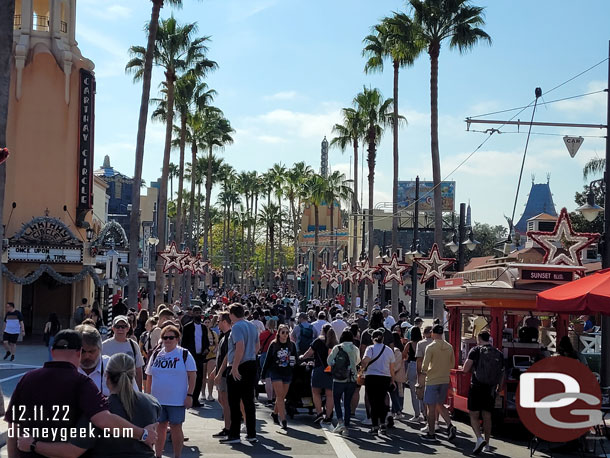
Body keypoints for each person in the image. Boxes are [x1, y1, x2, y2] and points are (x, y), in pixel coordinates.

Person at [7, 330, 156, 457]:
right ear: (78, 353)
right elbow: (104, 420)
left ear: (52, 351)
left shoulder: (27, 379)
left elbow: (13, 430)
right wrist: (142, 434)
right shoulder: (82, 384)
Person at [145, 324, 196, 458]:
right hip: (157, 400)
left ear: (177, 338)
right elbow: (149, 375)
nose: (167, 340)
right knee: (160, 428)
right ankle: (158, 455)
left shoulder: (184, 354)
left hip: (177, 400)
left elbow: (192, 375)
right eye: (165, 338)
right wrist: (147, 395)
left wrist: (190, 395)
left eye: (171, 337)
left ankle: (177, 455)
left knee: (176, 427)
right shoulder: (157, 354)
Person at [221, 303, 260, 444]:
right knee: (249, 401)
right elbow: (257, 346)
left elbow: (240, 346)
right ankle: (251, 433)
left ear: (232, 314)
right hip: (251, 363)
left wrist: (235, 366)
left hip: (239, 364)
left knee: (234, 401)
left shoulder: (237, 326)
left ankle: (234, 434)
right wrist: (250, 357)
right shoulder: (252, 326)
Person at [463, 331, 504, 454]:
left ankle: (479, 439)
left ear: (478, 338)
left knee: (473, 414)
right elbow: (502, 372)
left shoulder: (475, 350)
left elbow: (465, 369)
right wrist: (499, 387)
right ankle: (487, 443)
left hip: (476, 386)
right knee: (487, 416)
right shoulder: (498, 353)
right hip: (490, 388)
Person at [420, 325, 457, 442]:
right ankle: (450, 425)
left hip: (432, 379)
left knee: (431, 407)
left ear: (432, 333)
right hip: (445, 379)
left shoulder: (430, 347)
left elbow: (424, 366)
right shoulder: (449, 347)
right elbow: (452, 364)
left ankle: (431, 433)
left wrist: (423, 375)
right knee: (440, 404)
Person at [261, 324, 297, 429]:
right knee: (280, 396)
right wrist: (263, 374)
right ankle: (284, 419)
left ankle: (275, 413)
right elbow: (267, 360)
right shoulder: (274, 344)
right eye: (283, 332)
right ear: (279, 333)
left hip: (287, 372)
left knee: (281, 397)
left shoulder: (292, 345)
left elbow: (294, 358)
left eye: (287, 332)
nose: (285, 335)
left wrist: (294, 366)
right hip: (275, 372)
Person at [300, 324, 336, 424]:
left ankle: (319, 413)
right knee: (330, 395)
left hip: (319, 369)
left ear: (322, 331)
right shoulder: (334, 342)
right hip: (330, 370)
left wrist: (302, 357)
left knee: (316, 392)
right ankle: (328, 416)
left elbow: (309, 353)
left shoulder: (318, 341)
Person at [361, 328, 395, 435]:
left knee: (373, 402)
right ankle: (383, 424)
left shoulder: (370, 348)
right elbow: (392, 367)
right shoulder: (389, 350)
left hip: (371, 377)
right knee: (381, 401)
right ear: (383, 339)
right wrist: (392, 380)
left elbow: (365, 360)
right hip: (385, 377)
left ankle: (374, 426)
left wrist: (362, 366)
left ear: (372, 339)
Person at [327, 329, 360, 436]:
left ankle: (340, 422)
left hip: (338, 378)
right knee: (347, 403)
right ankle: (346, 426)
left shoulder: (338, 347)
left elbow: (329, 361)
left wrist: (336, 364)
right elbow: (358, 361)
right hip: (352, 378)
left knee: (337, 400)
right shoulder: (355, 348)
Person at [102, 315, 145, 389]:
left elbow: (138, 370)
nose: (120, 329)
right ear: (113, 328)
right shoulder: (104, 345)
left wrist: (139, 391)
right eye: (117, 326)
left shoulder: (133, 345)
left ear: (128, 328)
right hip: (109, 389)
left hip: (129, 388)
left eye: (123, 326)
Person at [182, 306, 210, 407]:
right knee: (190, 378)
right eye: (196, 313)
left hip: (200, 356)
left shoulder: (203, 327)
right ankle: (188, 397)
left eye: (199, 312)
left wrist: (206, 348)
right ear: (192, 314)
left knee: (199, 378)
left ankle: (196, 399)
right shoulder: (187, 327)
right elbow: (183, 343)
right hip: (190, 356)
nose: (198, 315)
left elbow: (206, 340)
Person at [213, 312, 233, 438]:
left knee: (226, 401)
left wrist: (219, 372)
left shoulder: (230, 336)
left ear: (225, 322)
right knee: (221, 399)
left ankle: (228, 427)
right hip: (221, 372)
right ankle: (228, 425)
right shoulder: (223, 336)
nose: (218, 323)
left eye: (219, 320)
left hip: (226, 374)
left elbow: (227, 356)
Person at [404, 326, 425, 422]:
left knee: (413, 391)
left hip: (412, 365)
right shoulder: (423, 343)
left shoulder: (409, 344)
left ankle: (417, 414)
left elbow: (404, 355)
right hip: (423, 366)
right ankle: (424, 412)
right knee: (423, 390)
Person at [259, 317, 278, 404]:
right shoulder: (277, 334)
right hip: (275, 356)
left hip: (264, 355)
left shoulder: (263, 334)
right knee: (275, 378)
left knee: (267, 378)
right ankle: (274, 397)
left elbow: (259, 346)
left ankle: (269, 399)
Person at [202, 314, 219, 401]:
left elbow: (217, 344)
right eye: (206, 322)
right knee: (203, 376)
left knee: (210, 375)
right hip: (203, 355)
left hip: (211, 355)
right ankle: (203, 393)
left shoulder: (214, 333)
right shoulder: (200, 332)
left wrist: (215, 349)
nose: (207, 324)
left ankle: (210, 394)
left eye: (208, 322)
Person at [390, 332, 406, 419]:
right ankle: (396, 411)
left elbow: (395, 365)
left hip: (395, 374)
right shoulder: (400, 349)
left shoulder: (395, 350)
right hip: (399, 374)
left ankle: (397, 411)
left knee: (395, 394)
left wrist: (391, 373)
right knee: (397, 393)